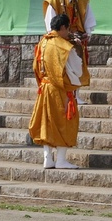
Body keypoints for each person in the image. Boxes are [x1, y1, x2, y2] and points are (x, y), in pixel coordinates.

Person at [28, 13, 83, 170]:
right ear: (63, 27)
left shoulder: (42, 42)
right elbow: (77, 70)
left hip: (44, 88)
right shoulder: (64, 46)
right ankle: (61, 159)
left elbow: (35, 67)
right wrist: (77, 48)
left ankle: (47, 158)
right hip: (60, 89)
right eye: (68, 29)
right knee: (64, 122)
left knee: (46, 122)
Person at [43, 0, 95, 103]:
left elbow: (88, 17)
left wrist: (87, 32)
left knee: (78, 65)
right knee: (65, 68)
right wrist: (56, 35)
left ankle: (76, 94)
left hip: (77, 37)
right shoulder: (54, 0)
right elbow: (51, 22)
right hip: (62, 38)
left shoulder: (82, 0)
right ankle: (64, 94)